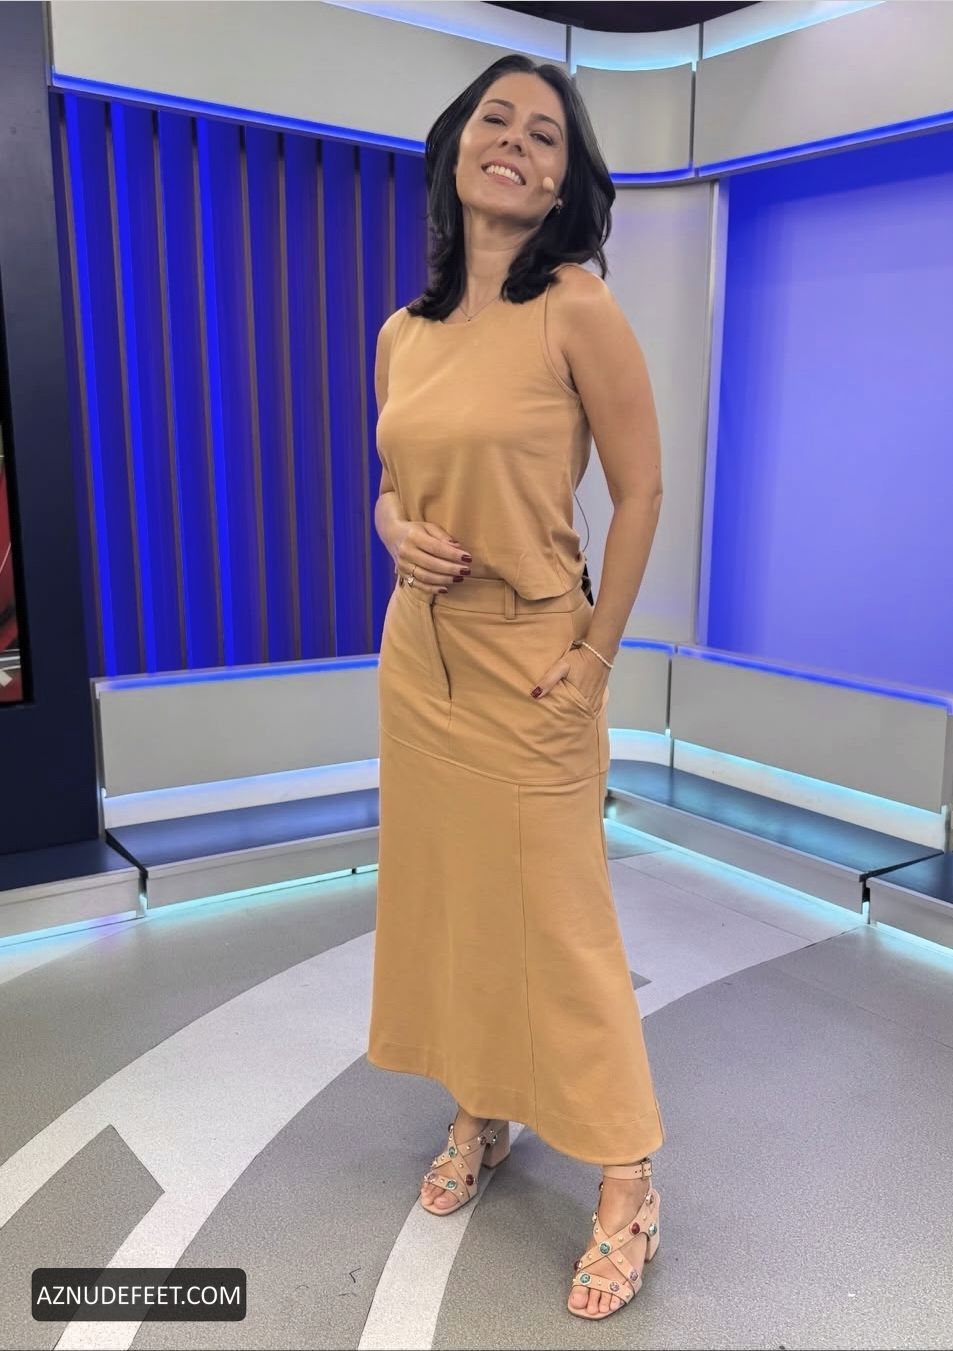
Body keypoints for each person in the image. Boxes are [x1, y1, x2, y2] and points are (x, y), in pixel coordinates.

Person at [367, 53, 665, 1322]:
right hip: (417, 657)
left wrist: (593, 659)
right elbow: (391, 482)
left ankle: (627, 1176)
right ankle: (479, 1109)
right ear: (455, 148)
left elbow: (640, 492)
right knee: (454, 904)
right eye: (495, 120)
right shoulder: (404, 331)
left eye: (544, 137)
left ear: (560, 185)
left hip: (535, 658)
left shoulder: (575, 308)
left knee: (559, 927)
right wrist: (392, 526)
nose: (515, 144)